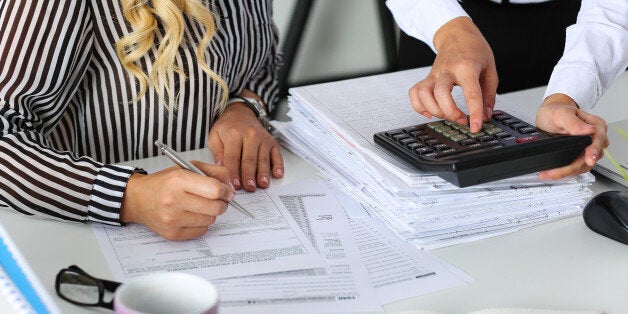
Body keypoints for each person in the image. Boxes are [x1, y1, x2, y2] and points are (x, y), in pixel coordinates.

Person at [0, 0, 284, 240]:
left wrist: (246, 107)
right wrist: (132, 198)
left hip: (221, 222)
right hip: (92, 237)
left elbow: (266, 61)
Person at [386, 0, 627, 179]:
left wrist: (565, 97)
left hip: (569, 27)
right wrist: (450, 33)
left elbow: (613, 11)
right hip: (438, 19)